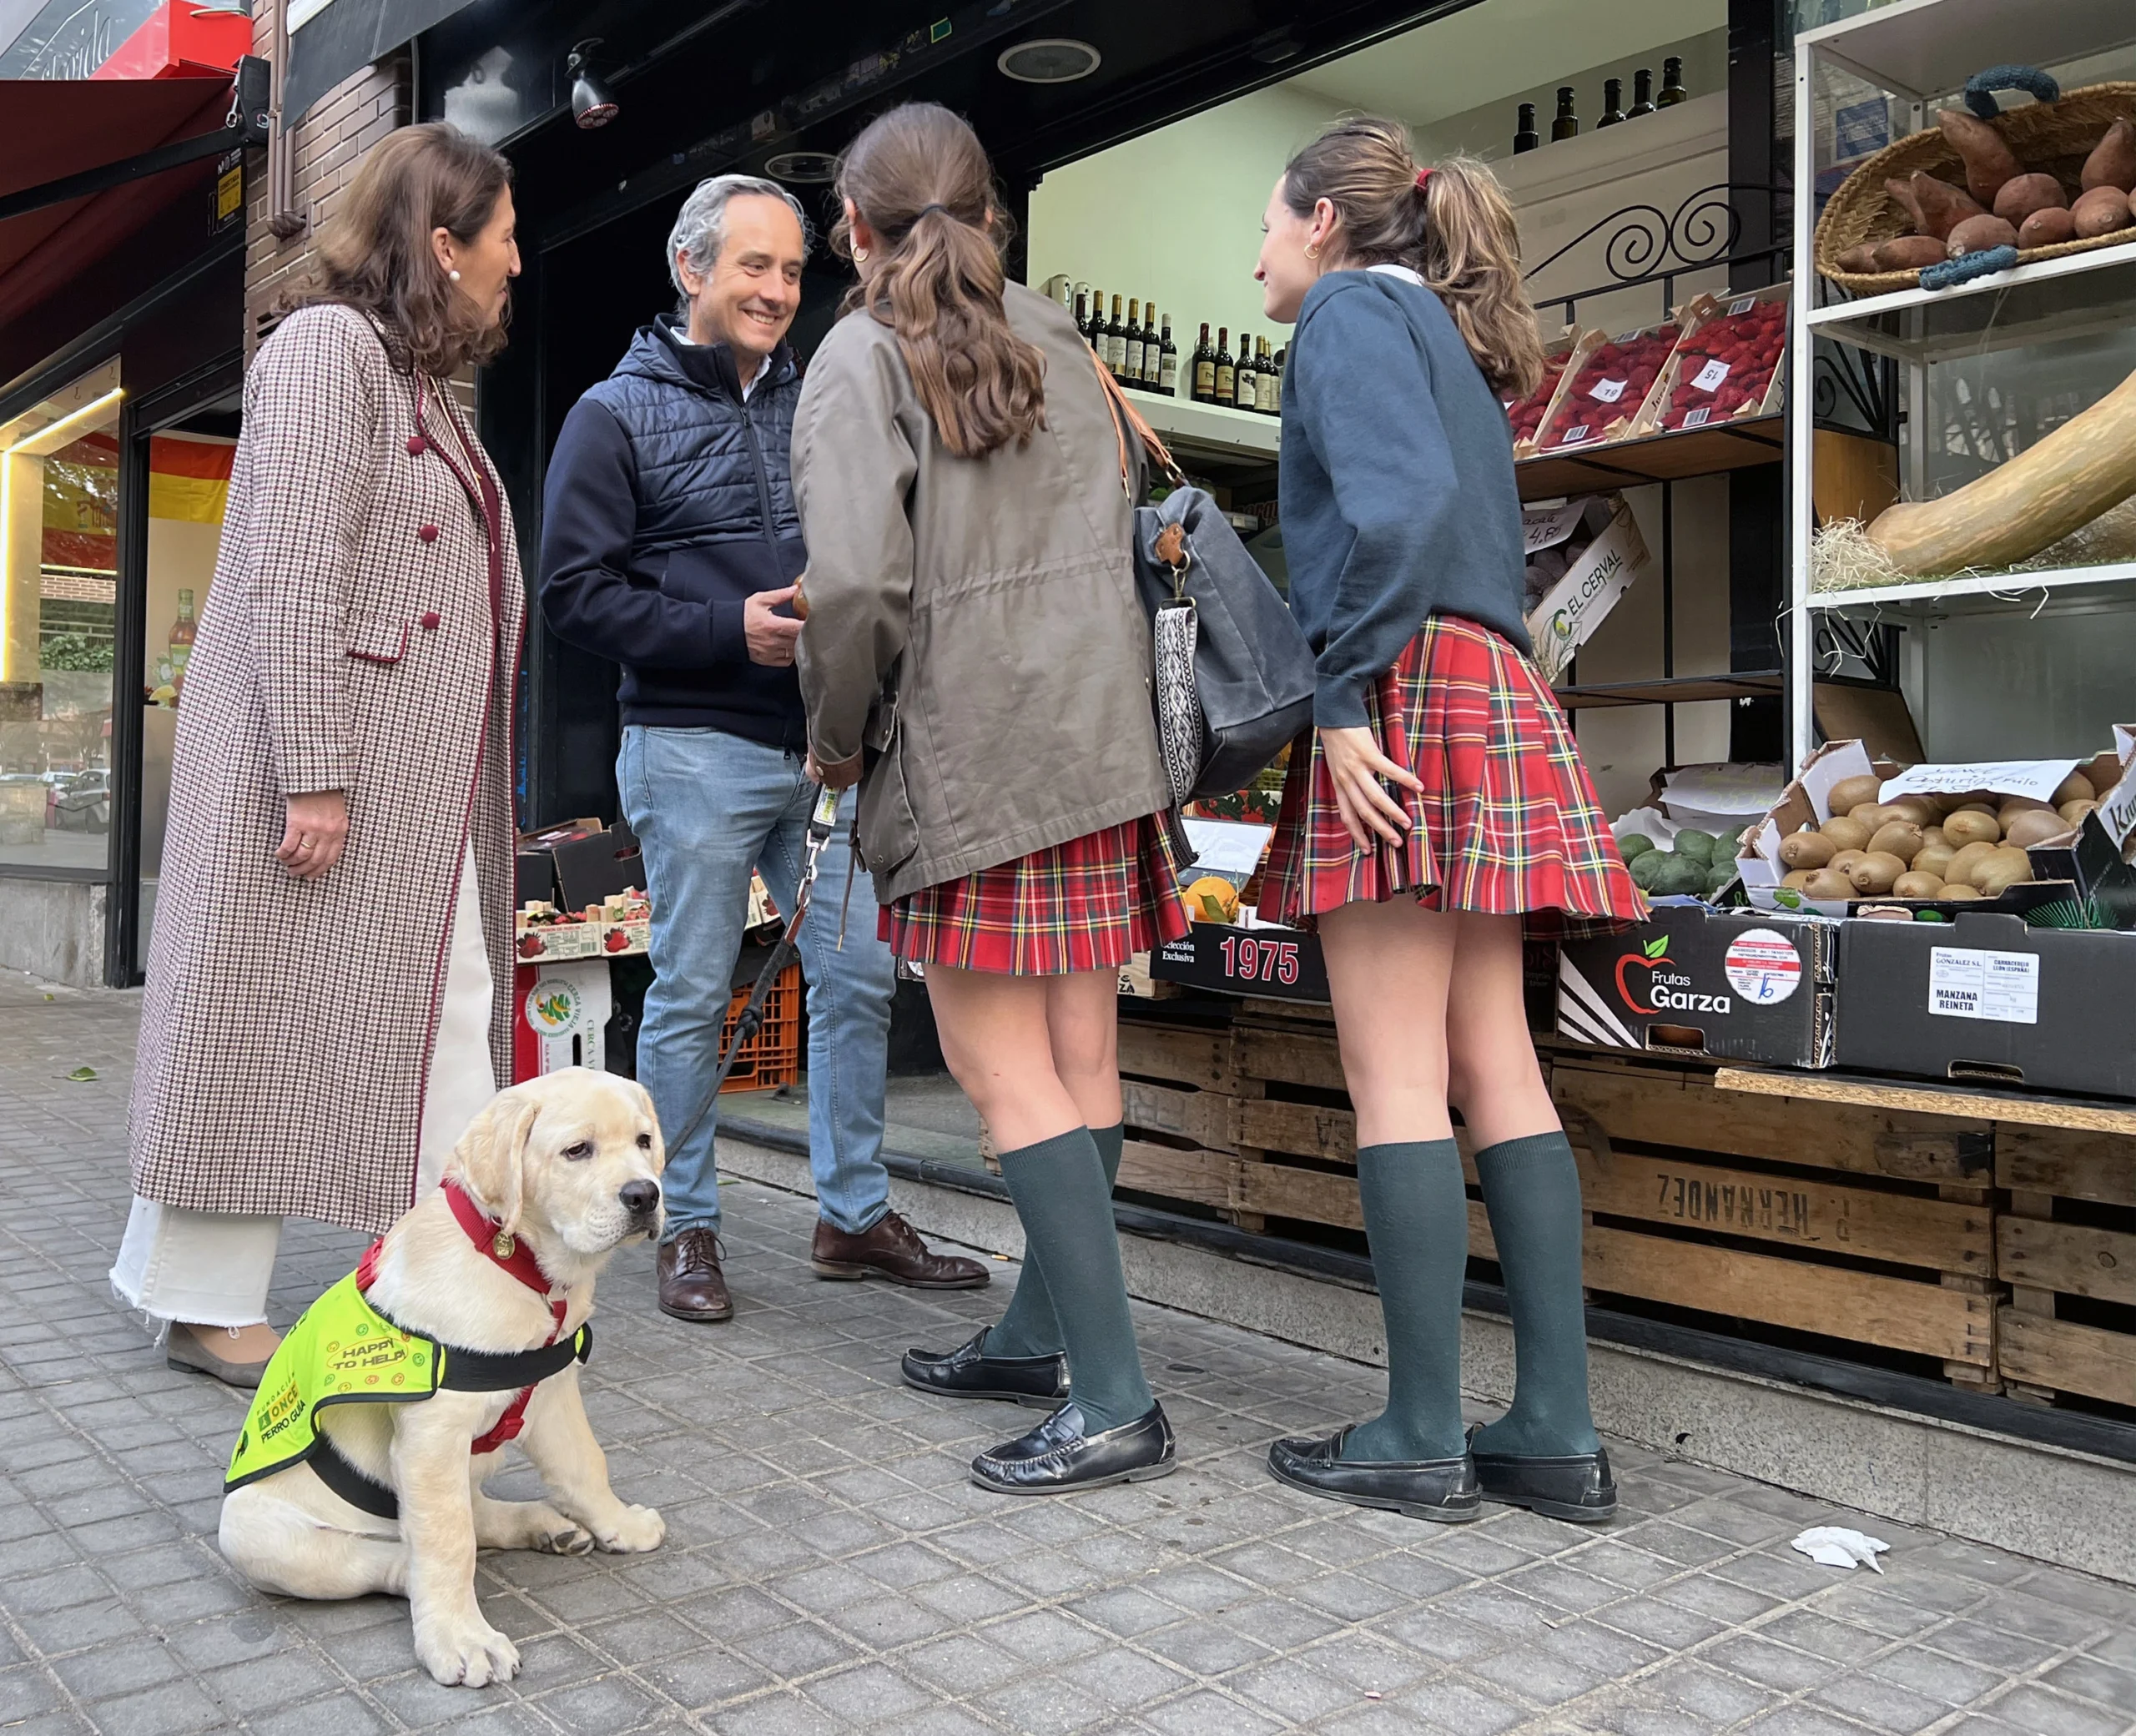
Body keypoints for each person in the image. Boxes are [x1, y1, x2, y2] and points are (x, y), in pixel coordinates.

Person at [1250, 119, 1645, 1524]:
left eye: (1268, 226)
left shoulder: (1350, 311)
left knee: (1396, 1074)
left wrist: (1341, 698)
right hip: (1488, 677)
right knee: (1501, 1066)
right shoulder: (1445, 341)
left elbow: (1397, 509)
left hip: (1403, 685)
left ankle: (1418, 1428)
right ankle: (1554, 1429)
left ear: (1324, 224)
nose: (1258, 259)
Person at [793, 103, 1190, 1496]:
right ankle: (1041, 1332)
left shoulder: (857, 351)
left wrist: (834, 742)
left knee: (996, 1070)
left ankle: (1117, 1399)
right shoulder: (1064, 337)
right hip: (1100, 738)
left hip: (971, 747)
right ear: (992, 211)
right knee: (1081, 1055)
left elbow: (852, 589)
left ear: (855, 226)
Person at [116, 124, 526, 1386]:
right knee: (253, 1022)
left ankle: (442, 1270)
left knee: (442, 1016)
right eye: (505, 239)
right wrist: (313, 769)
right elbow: (292, 574)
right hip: (327, 781)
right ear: (444, 245)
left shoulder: (406, 378)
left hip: (407, 789)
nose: (519, 265)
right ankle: (198, 1303)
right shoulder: (326, 351)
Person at [540, 174, 987, 1323]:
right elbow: (574, 598)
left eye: (793, 269)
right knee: (691, 993)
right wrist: (717, 629)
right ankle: (684, 1223)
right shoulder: (610, 414)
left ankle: (851, 1213)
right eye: (755, 266)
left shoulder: (824, 393)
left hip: (829, 750)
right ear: (691, 270)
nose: (780, 290)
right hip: (692, 746)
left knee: (856, 977)